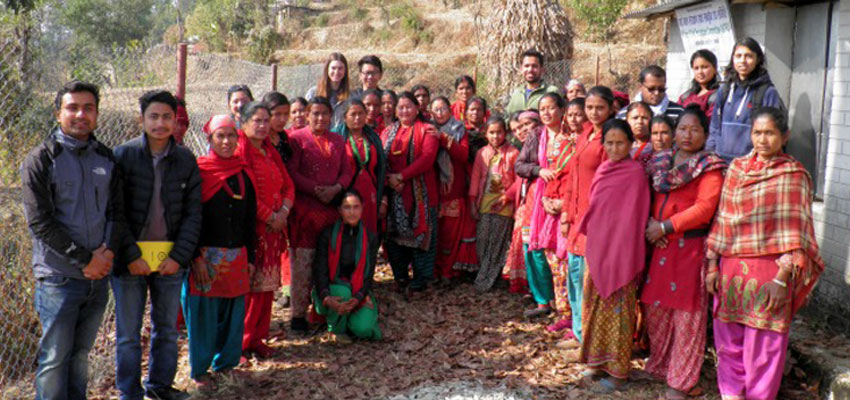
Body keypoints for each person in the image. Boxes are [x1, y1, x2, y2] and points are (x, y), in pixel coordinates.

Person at [707, 107, 822, 400]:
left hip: (771, 275)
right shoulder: (736, 170)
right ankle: (731, 394)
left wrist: (783, 279)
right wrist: (711, 266)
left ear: (784, 136)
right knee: (728, 341)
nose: (762, 140)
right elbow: (722, 220)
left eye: (769, 133)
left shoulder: (793, 176)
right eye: (757, 133)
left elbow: (797, 236)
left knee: (764, 347)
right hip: (731, 270)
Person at [21, 81, 121, 400]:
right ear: (58, 113)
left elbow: (116, 213)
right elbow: (40, 222)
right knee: (54, 359)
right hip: (58, 280)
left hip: (97, 280)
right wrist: (85, 259)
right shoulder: (41, 159)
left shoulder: (107, 158)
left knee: (79, 357)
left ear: (97, 114)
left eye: (88, 108)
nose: (80, 114)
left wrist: (104, 256)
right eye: (72, 108)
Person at [113, 90, 202, 400]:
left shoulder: (185, 159)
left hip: (169, 260)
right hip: (130, 262)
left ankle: (160, 388)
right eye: (154, 116)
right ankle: (129, 393)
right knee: (128, 334)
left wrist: (179, 257)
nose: (160, 123)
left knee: (166, 329)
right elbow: (115, 213)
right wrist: (130, 255)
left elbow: (194, 214)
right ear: (142, 119)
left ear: (176, 121)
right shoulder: (122, 156)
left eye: (167, 117)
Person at [642, 106, 726, 400]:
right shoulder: (661, 161)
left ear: (705, 134)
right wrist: (652, 224)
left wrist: (665, 226)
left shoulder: (710, 166)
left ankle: (681, 381)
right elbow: (648, 196)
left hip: (689, 248)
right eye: (682, 129)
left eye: (695, 130)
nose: (687, 135)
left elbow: (704, 209)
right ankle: (662, 365)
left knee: (687, 318)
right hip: (661, 246)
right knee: (656, 309)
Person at [183, 115, 256, 391]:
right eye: (220, 136)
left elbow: (250, 221)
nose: (226, 142)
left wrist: (251, 258)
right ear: (209, 139)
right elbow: (191, 217)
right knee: (203, 315)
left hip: (236, 256)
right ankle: (200, 370)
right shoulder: (199, 172)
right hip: (205, 258)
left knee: (233, 314)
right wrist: (196, 256)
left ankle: (226, 364)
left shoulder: (243, 174)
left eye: (231, 136)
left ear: (238, 140)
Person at [576, 119, 650, 394]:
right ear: (603, 144)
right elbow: (597, 208)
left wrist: (622, 248)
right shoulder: (604, 169)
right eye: (610, 143)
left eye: (621, 142)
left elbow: (635, 216)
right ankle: (596, 361)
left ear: (631, 144)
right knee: (594, 304)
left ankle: (618, 371)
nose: (615, 147)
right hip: (599, 246)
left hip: (623, 251)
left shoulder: (635, 174)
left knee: (618, 310)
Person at [287, 97, 353, 331]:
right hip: (305, 212)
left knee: (327, 262)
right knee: (303, 263)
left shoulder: (337, 139)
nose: (320, 118)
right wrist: (314, 190)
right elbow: (291, 172)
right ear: (307, 114)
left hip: (330, 212)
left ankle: (322, 312)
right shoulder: (296, 139)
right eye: (315, 113)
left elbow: (347, 170)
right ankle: (298, 315)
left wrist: (336, 188)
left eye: (325, 114)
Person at [558, 86, 615, 346]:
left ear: (611, 109)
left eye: (599, 108)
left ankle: (589, 338)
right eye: (589, 108)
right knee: (574, 274)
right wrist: (566, 212)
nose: (593, 113)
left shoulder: (610, 139)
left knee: (586, 280)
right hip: (576, 219)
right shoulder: (584, 135)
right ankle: (579, 332)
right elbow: (572, 177)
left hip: (594, 221)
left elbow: (607, 184)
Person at [237, 101, 295, 355]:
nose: (262, 126)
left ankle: (258, 338)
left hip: (274, 231)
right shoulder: (242, 151)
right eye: (256, 121)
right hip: (254, 231)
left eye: (265, 120)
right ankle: (242, 343)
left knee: (267, 289)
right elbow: (246, 192)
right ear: (244, 123)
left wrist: (282, 213)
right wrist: (270, 216)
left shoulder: (269, 150)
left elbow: (288, 185)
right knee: (250, 290)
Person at [515, 93, 572, 319]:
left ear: (561, 109)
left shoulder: (571, 135)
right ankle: (542, 300)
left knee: (560, 251)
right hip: (537, 197)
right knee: (534, 248)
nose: (547, 113)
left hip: (564, 196)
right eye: (542, 109)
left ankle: (565, 306)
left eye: (551, 108)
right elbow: (520, 165)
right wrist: (539, 171)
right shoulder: (537, 135)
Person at [381, 92, 440, 295]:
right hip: (394, 193)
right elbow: (380, 159)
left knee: (423, 236)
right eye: (400, 107)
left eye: (408, 107)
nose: (404, 111)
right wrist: (390, 178)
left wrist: (402, 176)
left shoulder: (427, 130)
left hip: (421, 194)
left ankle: (421, 280)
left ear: (417, 109)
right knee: (394, 237)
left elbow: (427, 158)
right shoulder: (387, 132)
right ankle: (400, 276)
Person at [312, 190, 383, 342]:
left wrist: (358, 298)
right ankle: (338, 330)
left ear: (362, 209)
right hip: (332, 290)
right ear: (339, 210)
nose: (352, 212)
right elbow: (320, 271)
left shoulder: (370, 238)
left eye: (356, 207)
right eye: (347, 207)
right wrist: (326, 297)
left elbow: (368, 275)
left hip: (357, 291)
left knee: (363, 330)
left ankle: (352, 321)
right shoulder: (328, 235)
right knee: (343, 292)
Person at [707, 37, 784, 162]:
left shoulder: (767, 92)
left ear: (758, 59)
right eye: (738, 56)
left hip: (750, 165)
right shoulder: (724, 90)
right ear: (733, 59)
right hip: (720, 163)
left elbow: (771, 131)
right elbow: (715, 126)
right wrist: (710, 154)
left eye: (748, 56)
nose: (742, 61)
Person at [469, 117, 520, 291]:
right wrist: (473, 200)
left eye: (499, 132)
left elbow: (518, 180)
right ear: (486, 134)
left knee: (497, 242)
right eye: (492, 132)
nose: (495, 136)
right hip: (485, 201)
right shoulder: (482, 153)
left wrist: (507, 197)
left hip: (504, 203)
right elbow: (476, 177)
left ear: (505, 133)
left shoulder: (513, 153)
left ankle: (488, 280)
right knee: (483, 241)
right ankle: (486, 273)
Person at [430, 96, 474, 281]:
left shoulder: (458, 129)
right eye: (436, 110)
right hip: (433, 187)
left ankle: (448, 271)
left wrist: (444, 139)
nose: (439, 113)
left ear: (450, 110)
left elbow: (463, 155)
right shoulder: (428, 129)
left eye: (443, 109)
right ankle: (435, 271)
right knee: (435, 233)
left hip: (454, 187)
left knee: (450, 232)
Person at [332, 99, 387, 235]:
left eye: (361, 113)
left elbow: (381, 168)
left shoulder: (373, 137)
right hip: (345, 195)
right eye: (353, 114)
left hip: (369, 195)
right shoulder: (336, 137)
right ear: (345, 117)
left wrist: (384, 198)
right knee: (345, 234)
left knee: (368, 234)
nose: (357, 118)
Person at [504, 110, 541, 294]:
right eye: (516, 129)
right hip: (524, 202)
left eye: (525, 126)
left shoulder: (540, 146)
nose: (521, 131)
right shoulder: (523, 150)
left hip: (537, 202)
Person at [505, 49, 561, 118]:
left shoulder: (551, 91)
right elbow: (507, 118)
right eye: (526, 66)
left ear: (542, 69)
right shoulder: (516, 93)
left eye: (534, 66)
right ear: (521, 69)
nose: (530, 70)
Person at [616, 66, 684, 121]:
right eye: (651, 89)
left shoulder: (680, 113)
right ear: (640, 87)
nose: (656, 93)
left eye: (661, 89)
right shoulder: (624, 114)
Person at [305, 52, 351, 126]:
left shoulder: (351, 96)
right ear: (327, 69)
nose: (336, 72)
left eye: (340, 68)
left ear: (345, 71)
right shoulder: (313, 93)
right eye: (333, 68)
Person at [678, 49, 720, 120]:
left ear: (715, 69)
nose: (700, 72)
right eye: (696, 68)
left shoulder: (718, 96)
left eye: (704, 67)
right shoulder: (685, 97)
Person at [263, 91, 294, 163]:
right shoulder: (259, 140)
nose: (283, 120)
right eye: (277, 114)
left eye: (286, 114)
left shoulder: (283, 138)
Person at [465, 96, 489, 162]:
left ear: (484, 113)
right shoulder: (461, 130)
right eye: (472, 109)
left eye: (479, 110)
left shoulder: (489, 130)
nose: (475, 112)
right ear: (466, 112)